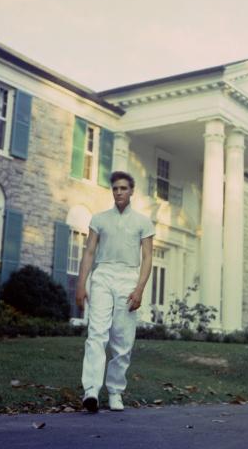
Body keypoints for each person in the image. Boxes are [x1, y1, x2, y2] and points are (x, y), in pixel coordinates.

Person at [75, 171, 155, 412]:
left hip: (129, 278)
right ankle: (91, 391)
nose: (119, 192)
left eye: (123, 188)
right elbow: (89, 252)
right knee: (96, 333)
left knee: (122, 338)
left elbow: (148, 257)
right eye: (115, 189)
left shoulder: (143, 222)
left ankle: (115, 391)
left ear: (131, 191)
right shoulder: (99, 219)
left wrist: (139, 289)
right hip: (103, 276)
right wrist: (81, 284)